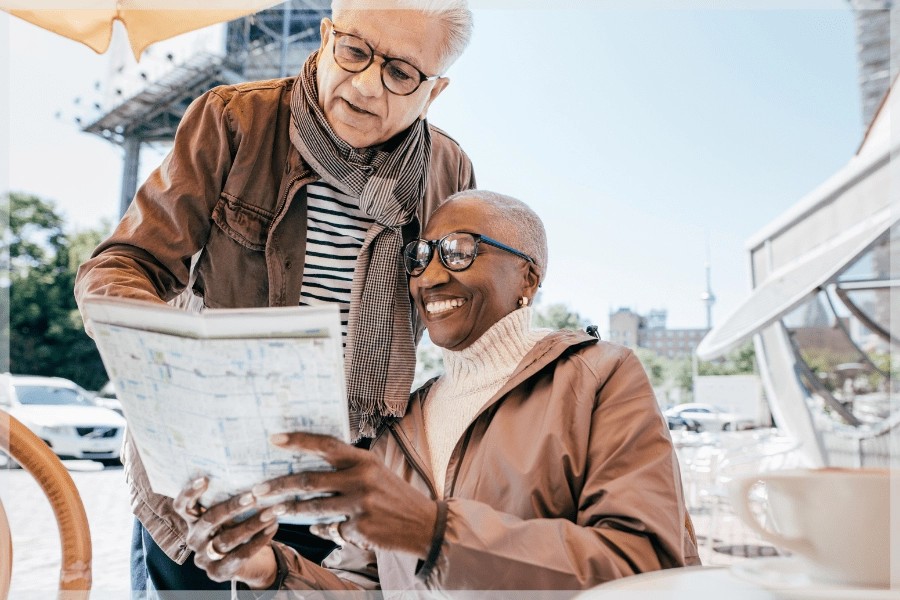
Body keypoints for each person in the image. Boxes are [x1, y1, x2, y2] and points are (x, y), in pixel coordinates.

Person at [74, 0, 476, 594]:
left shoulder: (449, 171)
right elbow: (122, 266)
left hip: (340, 493)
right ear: (326, 36)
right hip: (206, 484)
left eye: (400, 73)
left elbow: (462, 323)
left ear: (434, 91)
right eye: (355, 52)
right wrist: (174, 364)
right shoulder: (235, 119)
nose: (367, 85)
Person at [174, 190, 701, 594]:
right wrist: (270, 569)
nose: (428, 277)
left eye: (458, 251)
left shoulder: (598, 376)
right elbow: (371, 587)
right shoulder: (401, 423)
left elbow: (645, 569)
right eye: (419, 256)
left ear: (528, 277)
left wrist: (433, 532)